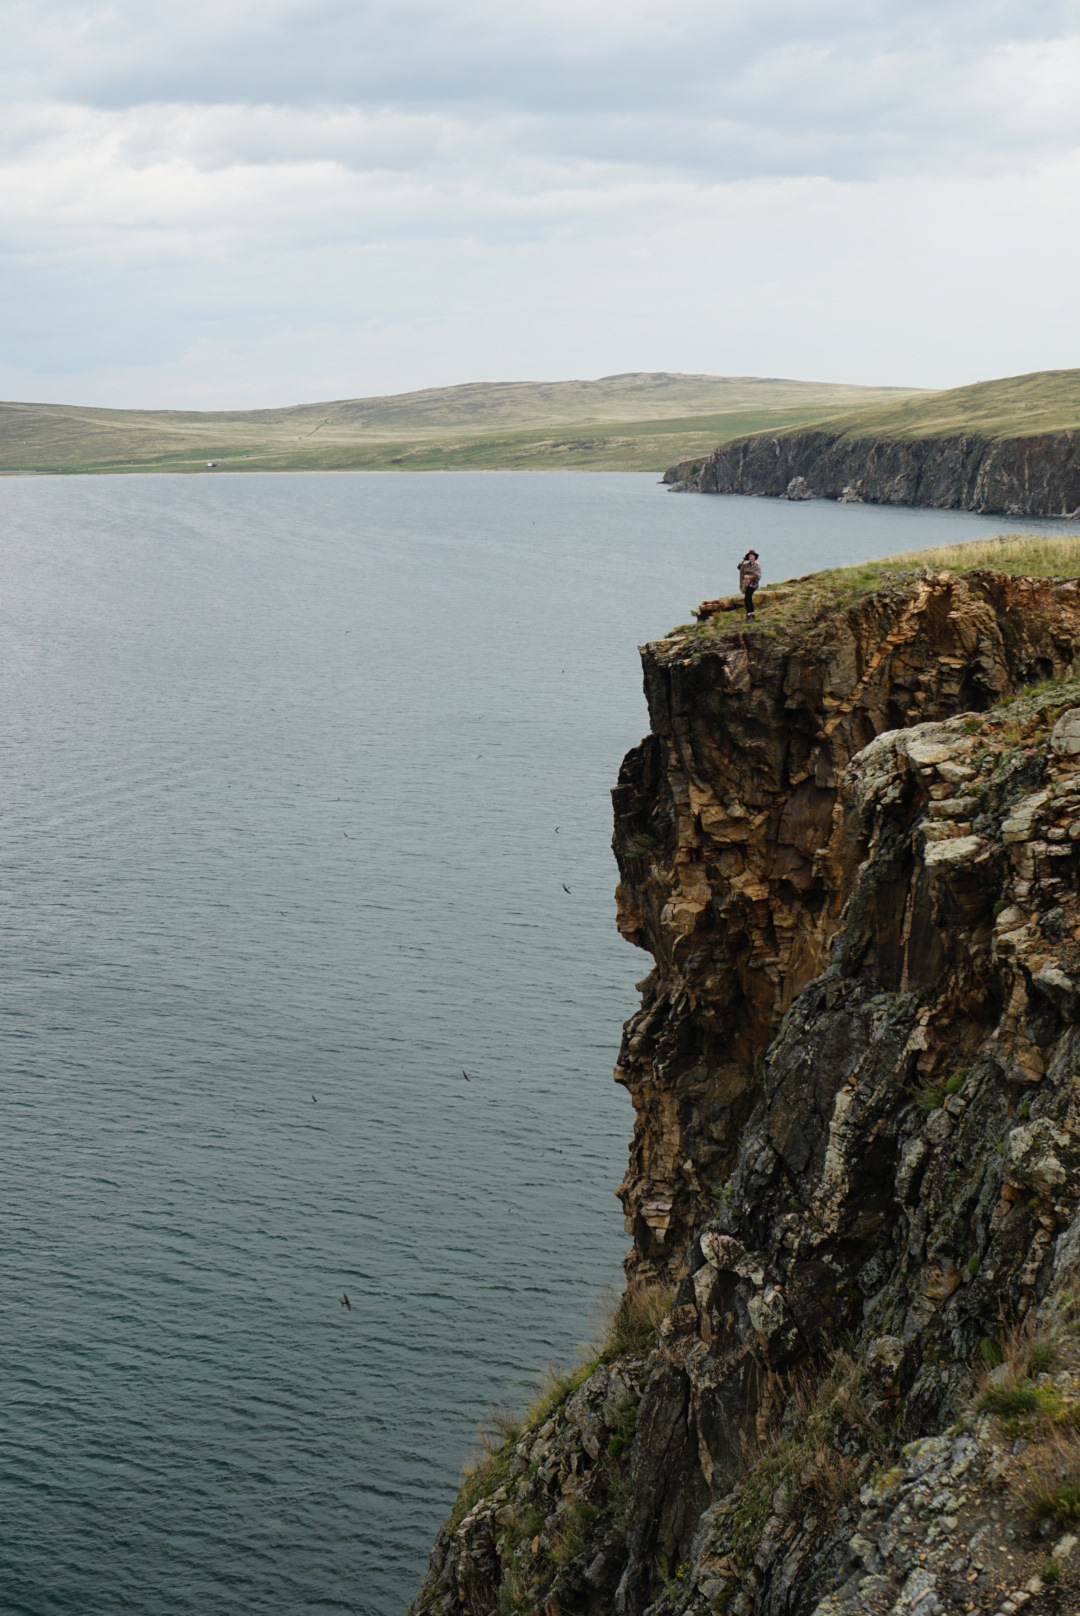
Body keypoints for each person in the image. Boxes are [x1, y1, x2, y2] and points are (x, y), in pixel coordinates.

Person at [738, 550, 761, 620]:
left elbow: (758, 575)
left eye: (752, 556)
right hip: (746, 584)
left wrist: (749, 577)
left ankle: (750, 614)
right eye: (749, 556)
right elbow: (739, 567)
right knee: (747, 598)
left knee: (747, 598)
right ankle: (751, 614)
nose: (751, 557)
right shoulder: (747, 565)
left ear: (755, 557)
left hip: (753, 584)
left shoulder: (757, 565)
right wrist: (743, 560)